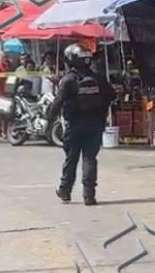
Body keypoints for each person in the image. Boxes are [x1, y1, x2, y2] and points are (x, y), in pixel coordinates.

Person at [47, 44, 115, 205]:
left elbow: (58, 102)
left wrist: (49, 120)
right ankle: (89, 195)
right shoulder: (98, 78)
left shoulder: (68, 80)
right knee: (90, 159)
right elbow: (112, 95)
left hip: (74, 124)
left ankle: (65, 190)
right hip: (95, 124)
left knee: (71, 159)